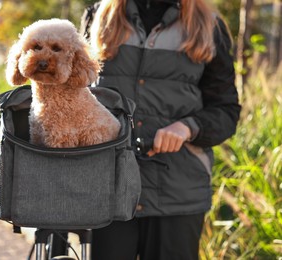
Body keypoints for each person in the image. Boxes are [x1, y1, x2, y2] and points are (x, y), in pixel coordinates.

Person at [80, 0, 241, 259]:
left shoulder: (209, 25)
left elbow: (226, 111)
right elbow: (77, 93)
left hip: (177, 192)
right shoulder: (99, 16)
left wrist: (188, 127)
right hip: (109, 189)